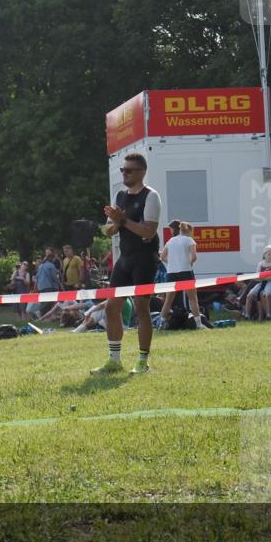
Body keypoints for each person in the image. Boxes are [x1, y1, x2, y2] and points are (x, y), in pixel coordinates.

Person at [92, 152, 161, 375]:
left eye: (129, 170)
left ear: (142, 172)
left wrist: (123, 221)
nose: (125, 173)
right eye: (123, 170)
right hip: (125, 257)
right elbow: (107, 229)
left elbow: (149, 231)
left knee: (142, 309)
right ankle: (114, 360)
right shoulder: (120, 196)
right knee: (111, 308)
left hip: (145, 258)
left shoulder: (151, 196)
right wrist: (116, 223)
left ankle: (143, 361)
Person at [159, 221, 206, 329]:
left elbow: (162, 257)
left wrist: (171, 262)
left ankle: (161, 323)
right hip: (186, 272)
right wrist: (187, 263)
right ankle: (199, 324)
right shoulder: (189, 240)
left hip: (171, 273)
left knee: (168, 300)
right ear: (189, 231)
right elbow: (194, 257)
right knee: (193, 299)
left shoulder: (170, 241)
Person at [244, 245, 271, 322]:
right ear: (264, 254)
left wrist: (263, 278)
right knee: (249, 295)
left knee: (267, 294)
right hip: (262, 283)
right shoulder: (260, 264)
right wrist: (264, 278)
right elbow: (257, 276)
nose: (270, 255)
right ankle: (246, 315)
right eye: (268, 253)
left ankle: (269, 315)